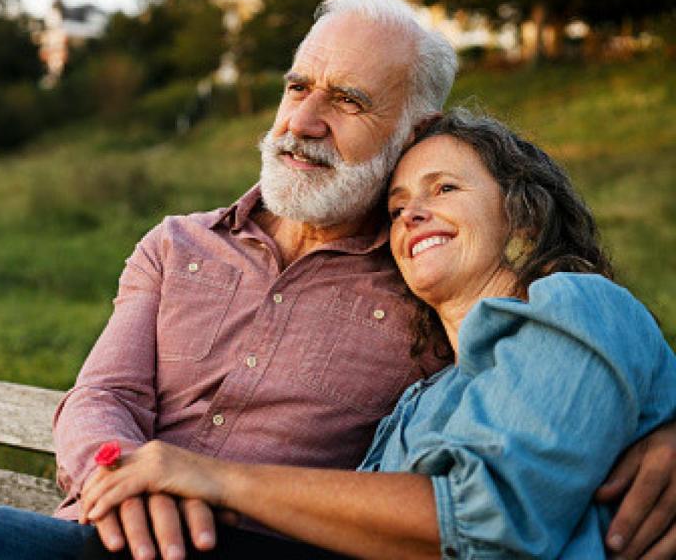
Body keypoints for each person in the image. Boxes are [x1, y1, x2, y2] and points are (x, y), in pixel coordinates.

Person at [0, 0, 676, 560]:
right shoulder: (177, 244)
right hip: (108, 532)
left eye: (348, 100)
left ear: (411, 127)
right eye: (297, 86)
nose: (304, 120)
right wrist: (130, 479)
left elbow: (561, 372)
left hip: (268, 548)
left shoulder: (429, 280)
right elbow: (99, 397)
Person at [78, 108, 676, 559]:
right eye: (396, 208)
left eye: (443, 189)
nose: (412, 214)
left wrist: (216, 478)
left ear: (523, 211)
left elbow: (487, 523)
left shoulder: (576, 301)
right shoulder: (426, 396)